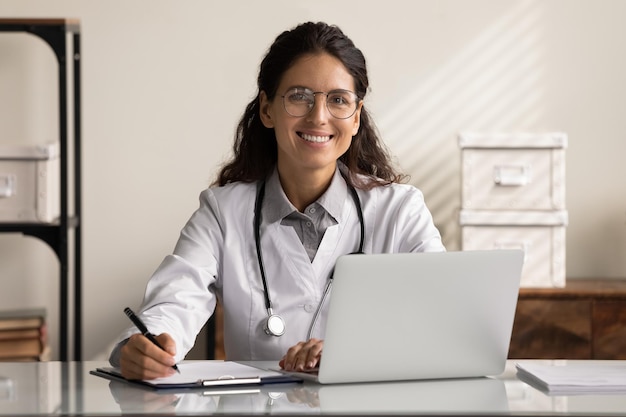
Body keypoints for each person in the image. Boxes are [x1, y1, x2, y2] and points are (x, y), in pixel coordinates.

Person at [110, 21, 445, 380]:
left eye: (338, 100)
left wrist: (354, 352)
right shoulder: (223, 212)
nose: (318, 116)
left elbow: (442, 320)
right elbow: (176, 301)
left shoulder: (400, 210)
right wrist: (146, 346)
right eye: (299, 96)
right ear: (268, 109)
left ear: (356, 116)